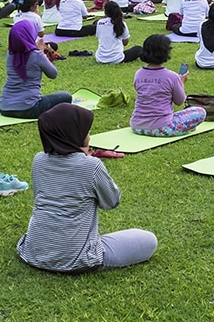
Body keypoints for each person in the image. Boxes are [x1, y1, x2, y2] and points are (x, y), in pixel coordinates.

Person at [16, 103, 157, 273]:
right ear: (73, 134)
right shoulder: (91, 166)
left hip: (33, 252)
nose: (89, 136)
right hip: (77, 259)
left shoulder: (39, 160)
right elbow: (112, 201)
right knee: (148, 240)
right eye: (86, 131)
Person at [130, 34, 205, 136]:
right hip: (162, 128)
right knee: (200, 111)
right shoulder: (172, 77)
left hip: (136, 126)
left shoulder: (138, 74)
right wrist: (182, 82)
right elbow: (179, 101)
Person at [0, 20, 71, 118]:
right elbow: (53, 74)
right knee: (66, 96)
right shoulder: (36, 55)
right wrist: (41, 52)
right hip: (29, 108)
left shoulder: (10, 54)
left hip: (4, 107)